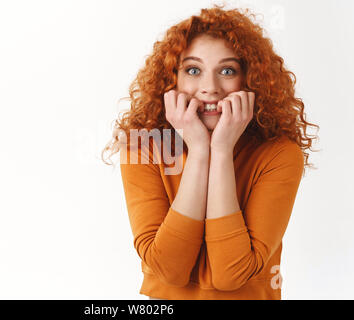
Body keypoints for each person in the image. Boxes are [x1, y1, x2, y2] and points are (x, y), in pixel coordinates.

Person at [101, 5, 319, 300]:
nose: (209, 88)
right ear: (172, 78)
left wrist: (221, 148)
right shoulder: (142, 147)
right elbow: (168, 270)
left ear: (248, 80)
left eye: (227, 71)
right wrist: (200, 151)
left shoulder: (279, 154)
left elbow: (232, 274)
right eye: (193, 70)